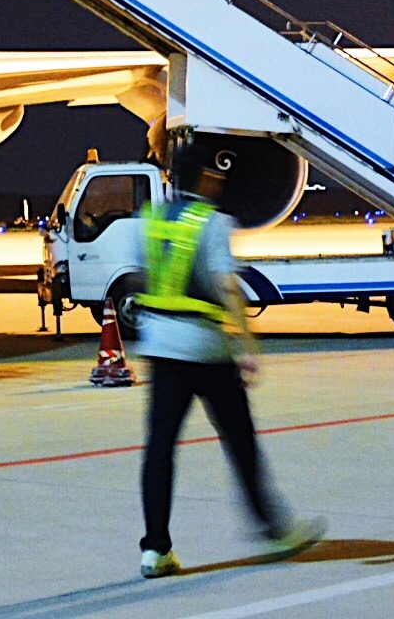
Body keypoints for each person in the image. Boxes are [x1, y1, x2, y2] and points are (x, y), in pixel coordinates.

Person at [133, 146, 324, 578]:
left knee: (159, 450)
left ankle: (155, 549)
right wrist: (248, 346)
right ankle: (273, 528)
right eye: (214, 175)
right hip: (205, 347)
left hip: (160, 346)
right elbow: (226, 285)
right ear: (203, 177)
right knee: (240, 441)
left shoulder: (150, 219)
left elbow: (146, 275)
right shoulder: (214, 223)